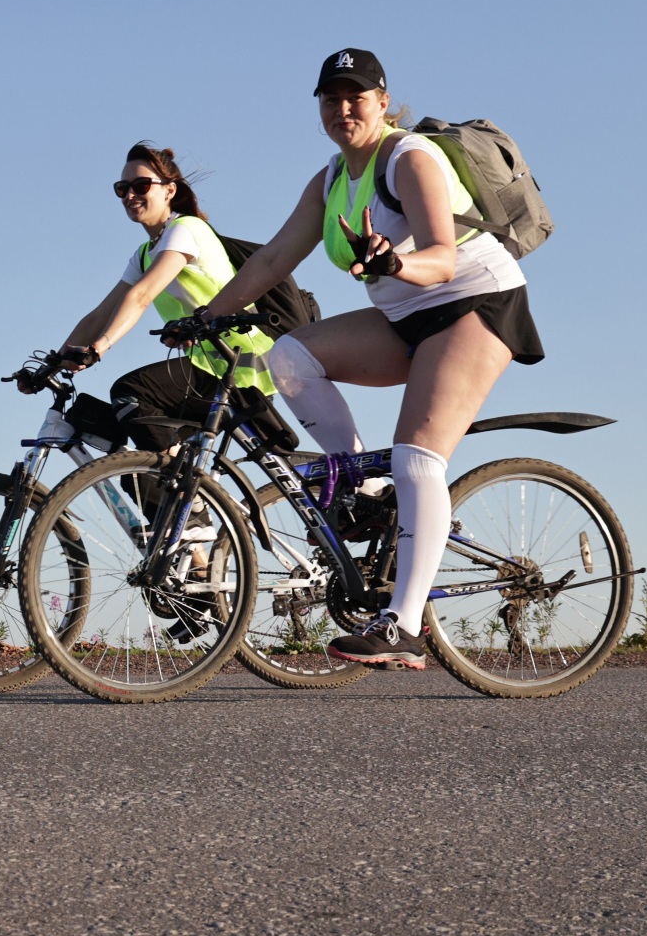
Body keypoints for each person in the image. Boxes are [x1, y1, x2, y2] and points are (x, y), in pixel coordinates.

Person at [195, 48, 544, 668]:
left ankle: (404, 626)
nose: (343, 109)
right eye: (331, 99)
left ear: (383, 102)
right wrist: (206, 316)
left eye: (356, 97)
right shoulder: (331, 178)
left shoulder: (410, 158)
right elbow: (272, 260)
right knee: (290, 356)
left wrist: (393, 261)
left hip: (473, 303)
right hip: (404, 318)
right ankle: (368, 490)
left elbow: (441, 259)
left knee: (418, 457)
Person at [55, 141, 276, 453]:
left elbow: (142, 295)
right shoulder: (145, 253)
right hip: (209, 365)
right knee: (135, 458)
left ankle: (174, 478)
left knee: (131, 392)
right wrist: (54, 362)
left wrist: (98, 348)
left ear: (169, 190)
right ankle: (164, 478)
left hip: (240, 362)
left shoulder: (186, 229)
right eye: (122, 188)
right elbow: (100, 314)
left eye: (141, 185)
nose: (130, 195)